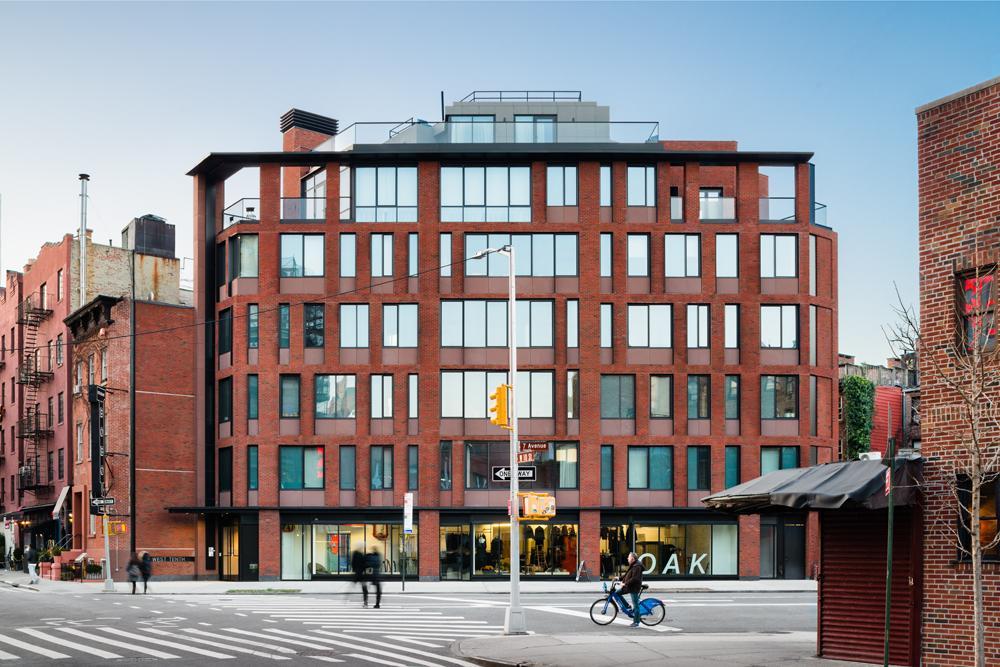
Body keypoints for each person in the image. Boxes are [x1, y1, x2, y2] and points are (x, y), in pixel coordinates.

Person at [618, 551, 644, 627]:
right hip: (629, 586)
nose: (627, 558)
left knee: (636, 605)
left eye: (628, 557)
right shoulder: (633, 565)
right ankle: (627, 606)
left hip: (634, 587)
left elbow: (635, 578)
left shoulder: (637, 566)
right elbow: (627, 575)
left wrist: (625, 583)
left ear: (632, 558)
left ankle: (636, 622)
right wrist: (619, 578)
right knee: (617, 593)